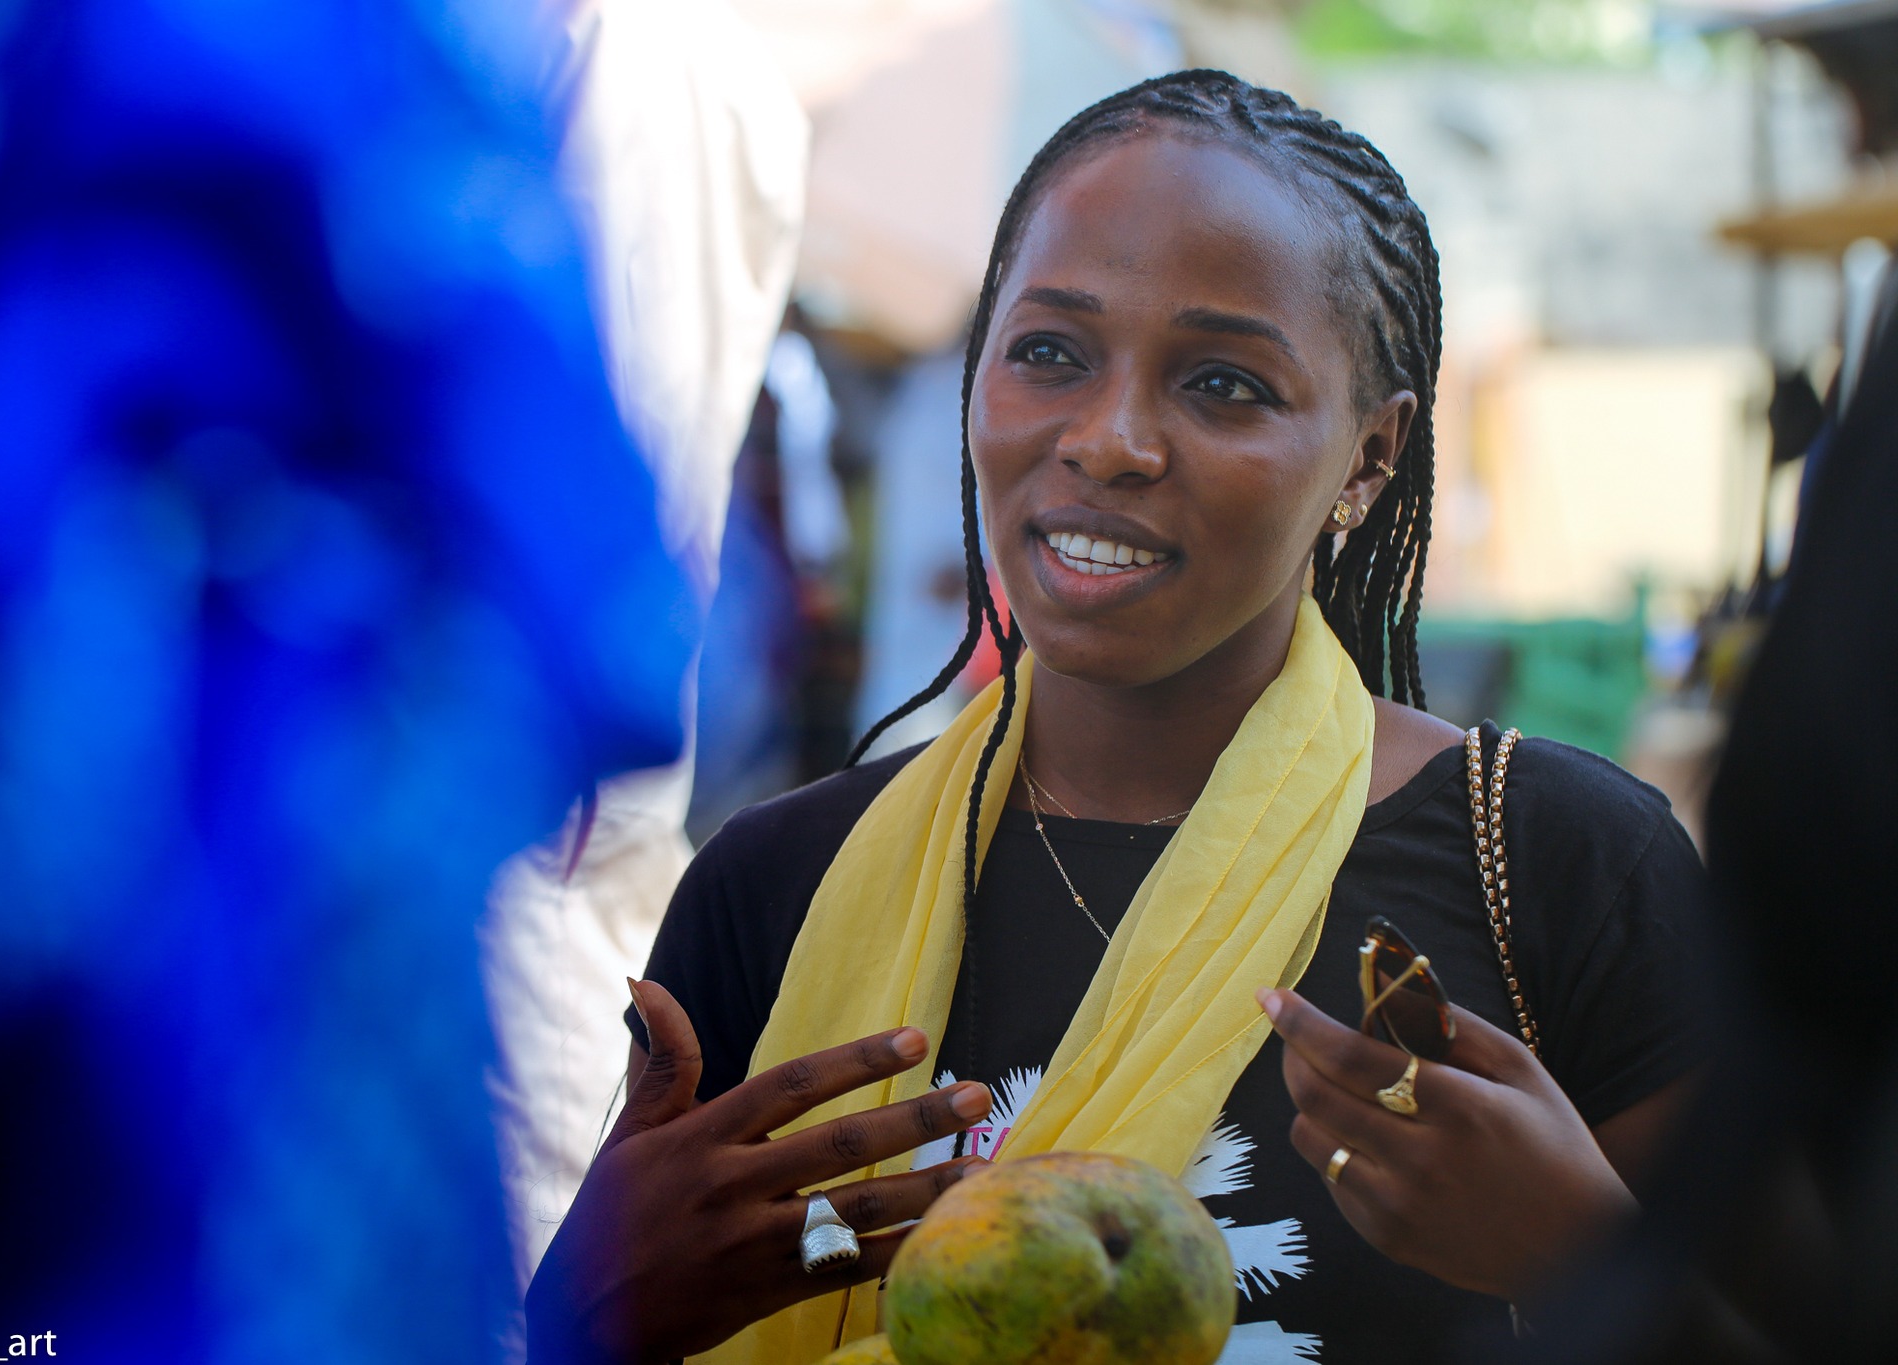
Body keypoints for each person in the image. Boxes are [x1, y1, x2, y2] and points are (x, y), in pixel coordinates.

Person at [526, 70, 1706, 1365]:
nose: (1111, 439)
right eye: (1049, 353)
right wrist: (584, 1313)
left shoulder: (1557, 868)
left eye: (1222, 384)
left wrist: (1593, 1259)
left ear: (1369, 456)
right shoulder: (779, 884)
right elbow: (767, 1265)